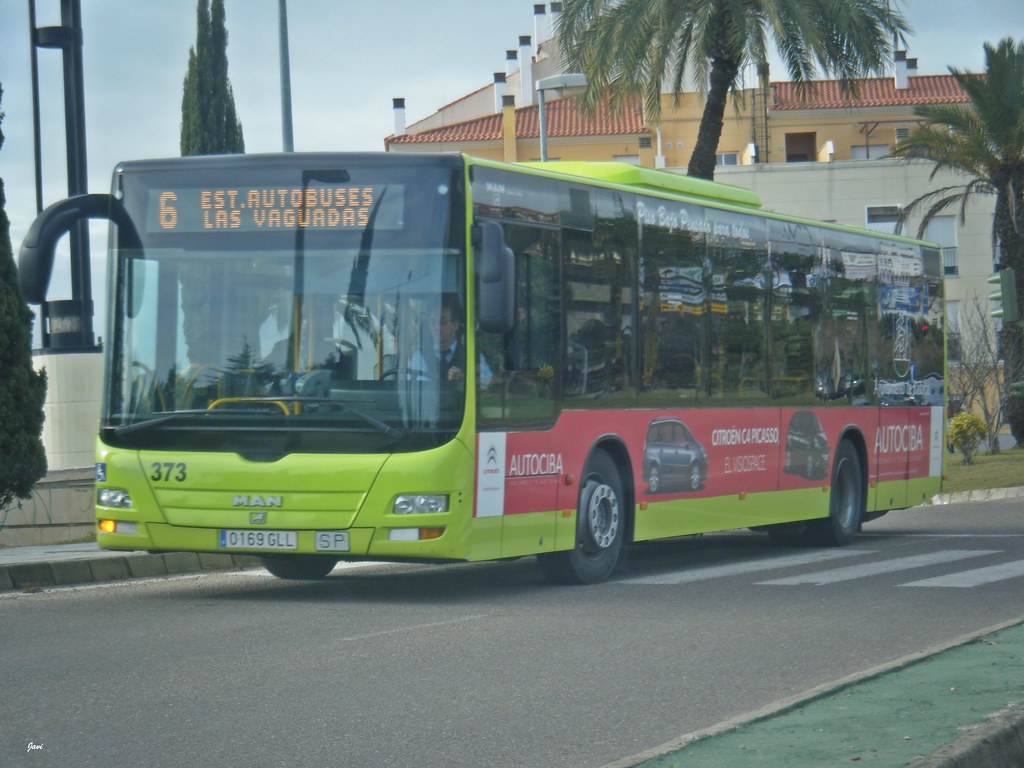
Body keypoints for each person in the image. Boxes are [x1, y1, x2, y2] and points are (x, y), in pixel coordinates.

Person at [413, 296, 492, 387]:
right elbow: (416, 387)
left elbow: (488, 382)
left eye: (442, 322)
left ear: (455, 325)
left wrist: (464, 377)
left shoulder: (472, 355)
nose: (436, 327)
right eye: (432, 322)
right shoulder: (419, 356)